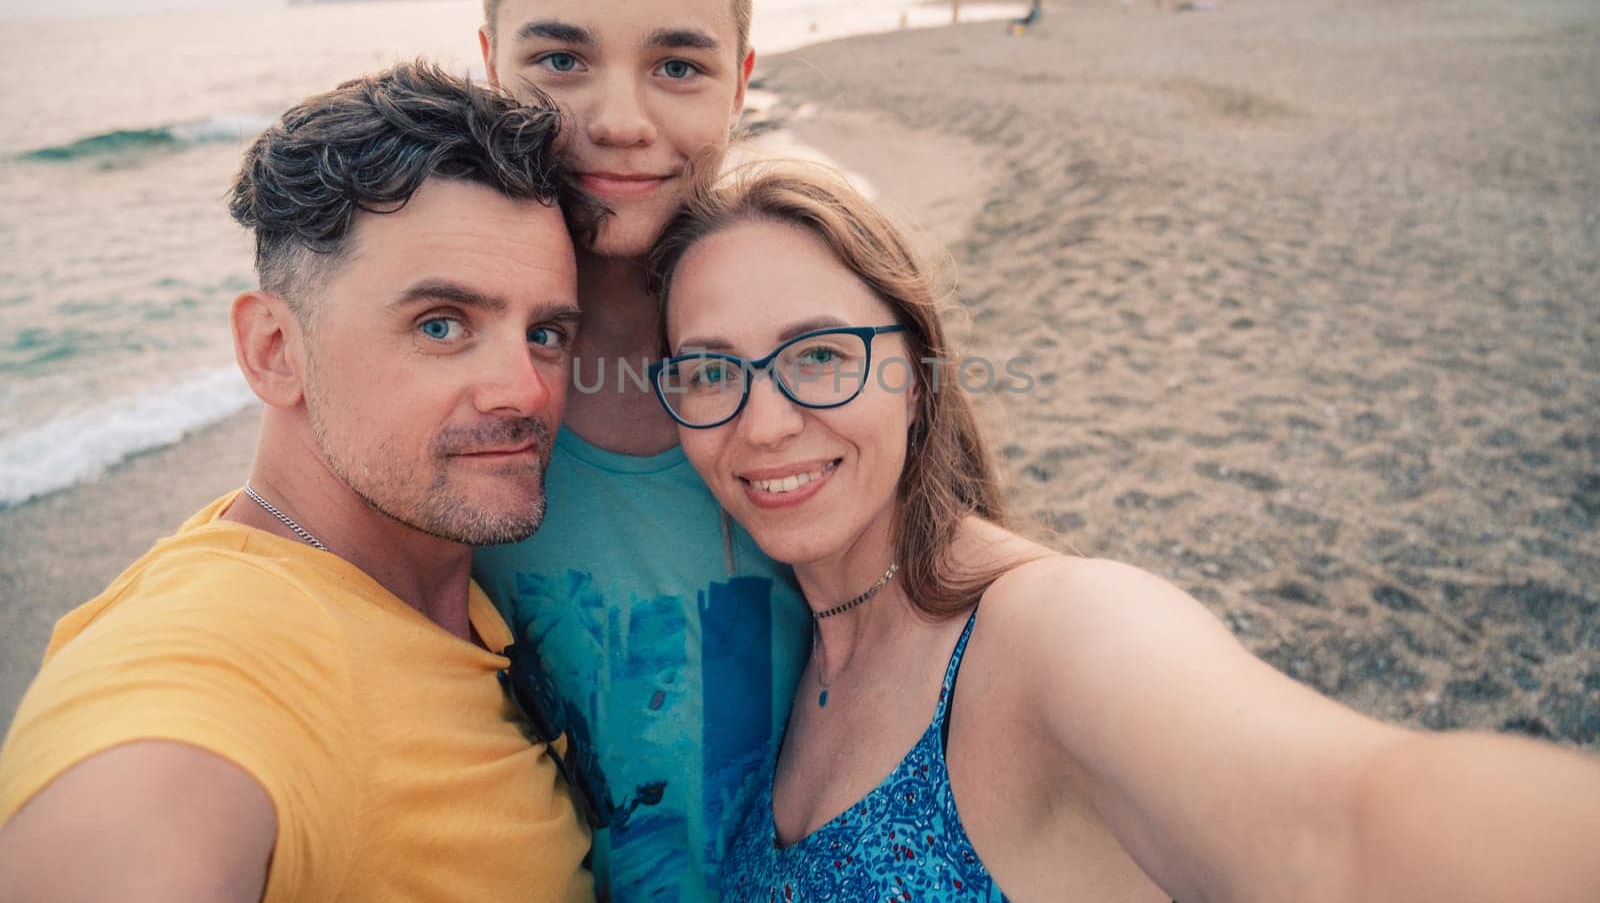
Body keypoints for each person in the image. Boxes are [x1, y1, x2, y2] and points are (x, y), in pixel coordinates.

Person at [644, 161, 1600, 903]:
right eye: (711, 370)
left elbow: (1344, 829)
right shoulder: (793, 647)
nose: (762, 423)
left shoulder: (1051, 632)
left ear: (919, 371)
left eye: (820, 355)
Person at [0, 62, 601, 903]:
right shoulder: (228, 648)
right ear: (274, 351)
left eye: (545, 332)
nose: (526, 388)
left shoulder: (439, 576)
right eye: (441, 324)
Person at [455, 0, 810, 899]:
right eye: (560, 61)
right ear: (490, 65)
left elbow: (971, 586)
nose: (618, 120)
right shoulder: (438, 400)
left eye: (678, 65)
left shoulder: (826, 366)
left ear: (742, 82)